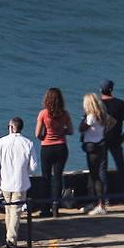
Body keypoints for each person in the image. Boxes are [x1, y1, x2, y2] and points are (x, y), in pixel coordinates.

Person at [0, 116, 36, 248]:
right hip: (20, 182)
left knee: (9, 211)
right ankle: (11, 241)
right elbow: (33, 167)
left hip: (5, 182)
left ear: (11, 127)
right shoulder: (28, 143)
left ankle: (9, 239)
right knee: (16, 212)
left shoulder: (1, 142)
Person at [35, 88, 72, 218]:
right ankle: (56, 206)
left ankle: (45, 208)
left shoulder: (43, 114)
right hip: (61, 146)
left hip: (47, 148)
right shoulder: (65, 114)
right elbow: (71, 130)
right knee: (57, 177)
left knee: (46, 177)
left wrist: (45, 136)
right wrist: (61, 131)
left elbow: (37, 134)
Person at [80, 92, 115, 214]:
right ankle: (96, 202)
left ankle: (100, 205)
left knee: (95, 176)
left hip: (92, 146)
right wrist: (104, 131)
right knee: (95, 175)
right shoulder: (102, 115)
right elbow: (112, 122)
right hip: (101, 144)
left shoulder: (91, 117)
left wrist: (83, 118)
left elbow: (81, 128)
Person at [100, 80, 124, 177]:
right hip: (116, 139)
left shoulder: (97, 104)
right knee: (120, 166)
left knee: (102, 168)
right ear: (112, 89)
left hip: (101, 139)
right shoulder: (120, 103)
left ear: (100, 90)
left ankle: (103, 191)